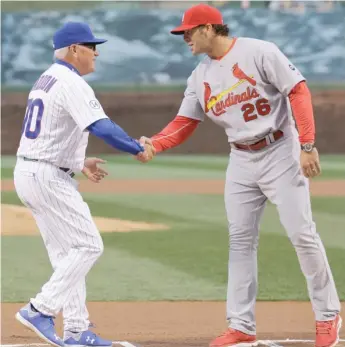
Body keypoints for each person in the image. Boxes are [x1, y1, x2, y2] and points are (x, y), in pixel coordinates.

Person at [137, 4, 342, 347]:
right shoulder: (199, 76)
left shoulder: (259, 52)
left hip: (281, 150)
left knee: (302, 235)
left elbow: (298, 91)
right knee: (240, 241)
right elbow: (185, 122)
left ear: (208, 28)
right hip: (241, 159)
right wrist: (156, 143)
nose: (184, 38)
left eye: (188, 32)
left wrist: (307, 145)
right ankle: (241, 324)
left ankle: (327, 316)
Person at [14, 22, 154, 347]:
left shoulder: (47, 78)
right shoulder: (70, 81)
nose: (96, 52)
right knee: (89, 245)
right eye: (91, 46)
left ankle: (76, 331)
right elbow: (101, 127)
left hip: (33, 171)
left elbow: (48, 131)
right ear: (75, 49)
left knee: (68, 257)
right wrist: (136, 147)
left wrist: (77, 162)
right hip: (47, 177)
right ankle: (40, 309)